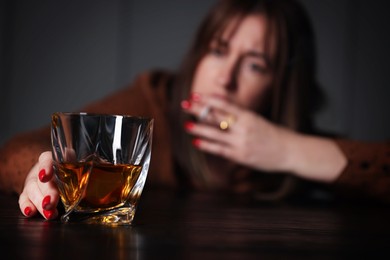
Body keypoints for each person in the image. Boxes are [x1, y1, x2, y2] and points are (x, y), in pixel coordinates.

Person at [1, 0, 390, 220]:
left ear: (282, 90)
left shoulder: (291, 141)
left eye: (255, 64)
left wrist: (287, 149)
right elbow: (17, 150)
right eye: (219, 51)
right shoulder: (155, 101)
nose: (225, 78)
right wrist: (39, 173)